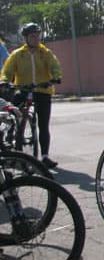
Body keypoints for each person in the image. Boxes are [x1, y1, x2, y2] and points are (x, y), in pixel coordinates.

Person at [0, 23, 62, 168]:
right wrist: (4, 81)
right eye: (32, 36)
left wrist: (56, 77)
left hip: (42, 91)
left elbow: (55, 66)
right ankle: (10, 138)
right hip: (23, 90)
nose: (35, 39)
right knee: (10, 112)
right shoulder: (18, 54)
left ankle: (45, 156)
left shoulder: (45, 53)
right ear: (25, 38)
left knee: (43, 125)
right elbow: (7, 70)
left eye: (37, 36)